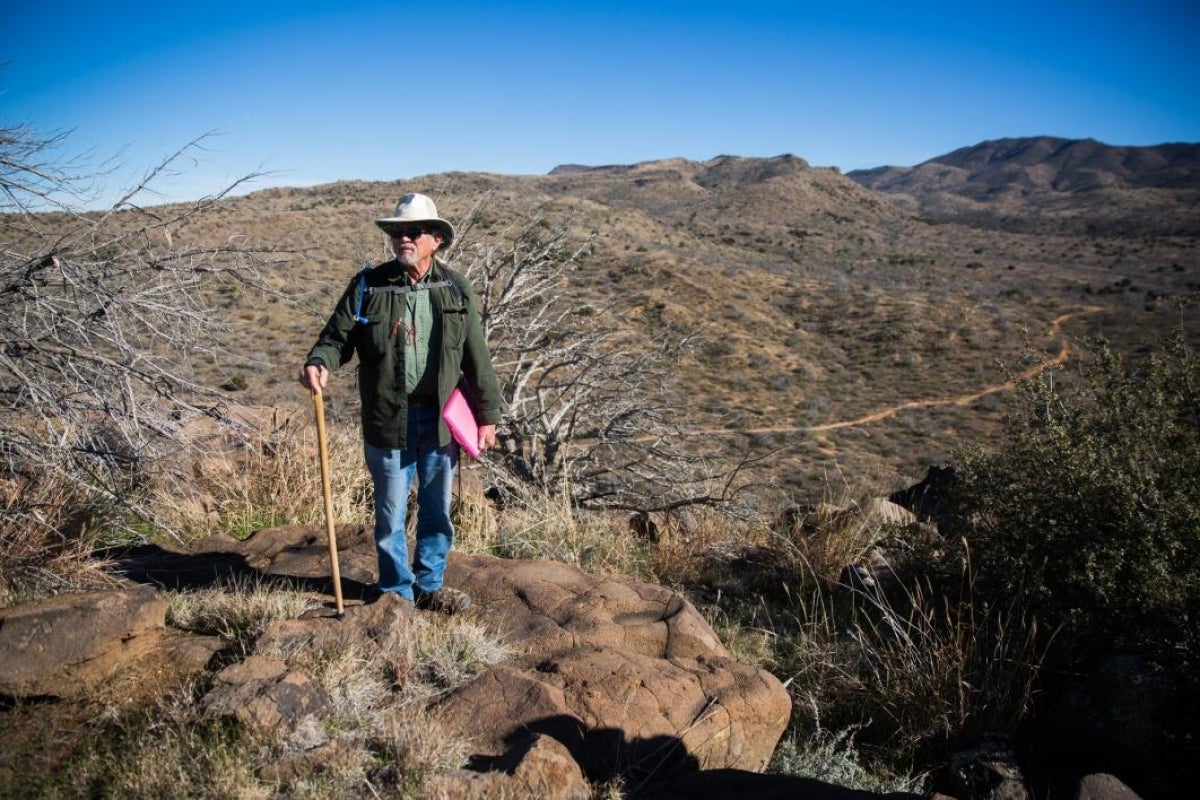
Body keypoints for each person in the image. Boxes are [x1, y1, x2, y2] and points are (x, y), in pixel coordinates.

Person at [300, 193, 501, 614]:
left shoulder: (455, 288)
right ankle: (396, 593)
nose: (403, 238)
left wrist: (488, 415)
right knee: (390, 513)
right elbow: (337, 339)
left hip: (440, 420)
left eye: (413, 232)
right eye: (397, 232)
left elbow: (475, 354)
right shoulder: (368, 285)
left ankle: (429, 584)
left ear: (436, 240)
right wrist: (319, 362)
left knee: (436, 511)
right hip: (388, 418)